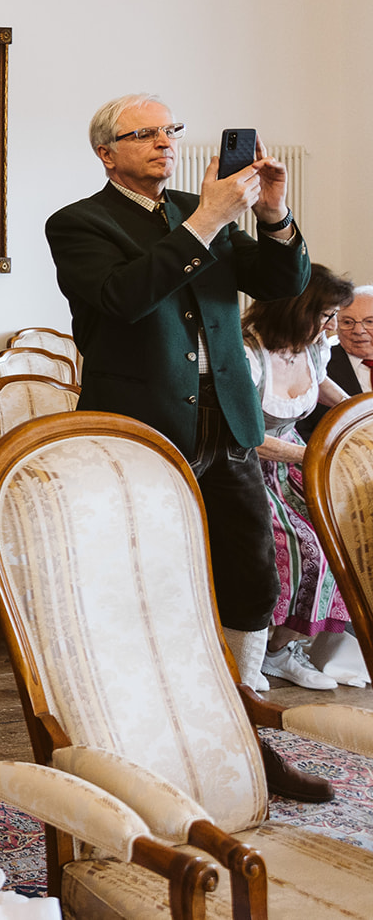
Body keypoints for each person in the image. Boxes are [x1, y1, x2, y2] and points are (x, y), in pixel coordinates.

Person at [45, 93, 330, 802]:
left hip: (226, 422)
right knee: (145, 586)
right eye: (145, 134)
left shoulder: (199, 210)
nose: (165, 143)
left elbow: (283, 283)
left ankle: (244, 734)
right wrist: (208, 221)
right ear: (106, 153)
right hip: (140, 429)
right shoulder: (79, 222)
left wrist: (272, 213)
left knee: (250, 574)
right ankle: (137, 742)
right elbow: (123, 298)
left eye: (169, 131)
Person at [241, 264, 357, 688]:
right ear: (295, 310)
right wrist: (313, 455)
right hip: (246, 465)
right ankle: (264, 650)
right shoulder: (247, 353)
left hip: (295, 458)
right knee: (308, 550)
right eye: (325, 316)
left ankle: (283, 648)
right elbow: (246, 436)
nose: (332, 326)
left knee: (346, 540)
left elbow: (320, 383)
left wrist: (357, 410)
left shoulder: (312, 346)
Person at [296, 284, 373, 441]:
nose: (358, 331)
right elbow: (301, 431)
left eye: (370, 321)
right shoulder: (315, 366)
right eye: (347, 322)